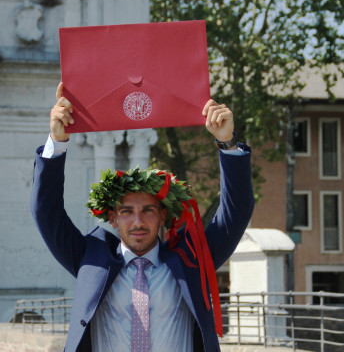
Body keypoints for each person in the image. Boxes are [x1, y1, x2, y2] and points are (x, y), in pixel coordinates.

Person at [31, 82, 255, 352]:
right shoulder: (90, 260)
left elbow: (236, 212)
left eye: (148, 210)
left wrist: (227, 143)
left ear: (163, 216)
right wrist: (57, 141)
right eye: (126, 212)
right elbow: (46, 212)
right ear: (112, 219)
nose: (138, 222)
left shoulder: (191, 261)